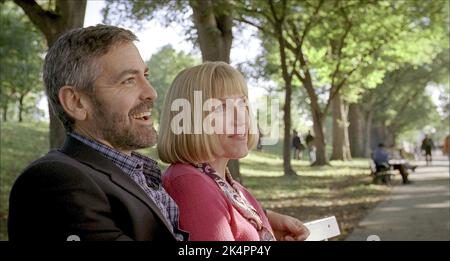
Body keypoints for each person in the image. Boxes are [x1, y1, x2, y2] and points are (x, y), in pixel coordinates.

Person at [8, 25, 308, 241]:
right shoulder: (55, 181)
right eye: (128, 80)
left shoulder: (141, 174)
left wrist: (262, 221)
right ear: (76, 102)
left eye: (146, 77)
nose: (151, 92)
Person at [158, 62, 310, 241]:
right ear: (191, 120)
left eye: (242, 103)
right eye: (221, 107)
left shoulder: (233, 188)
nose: (241, 118)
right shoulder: (189, 182)